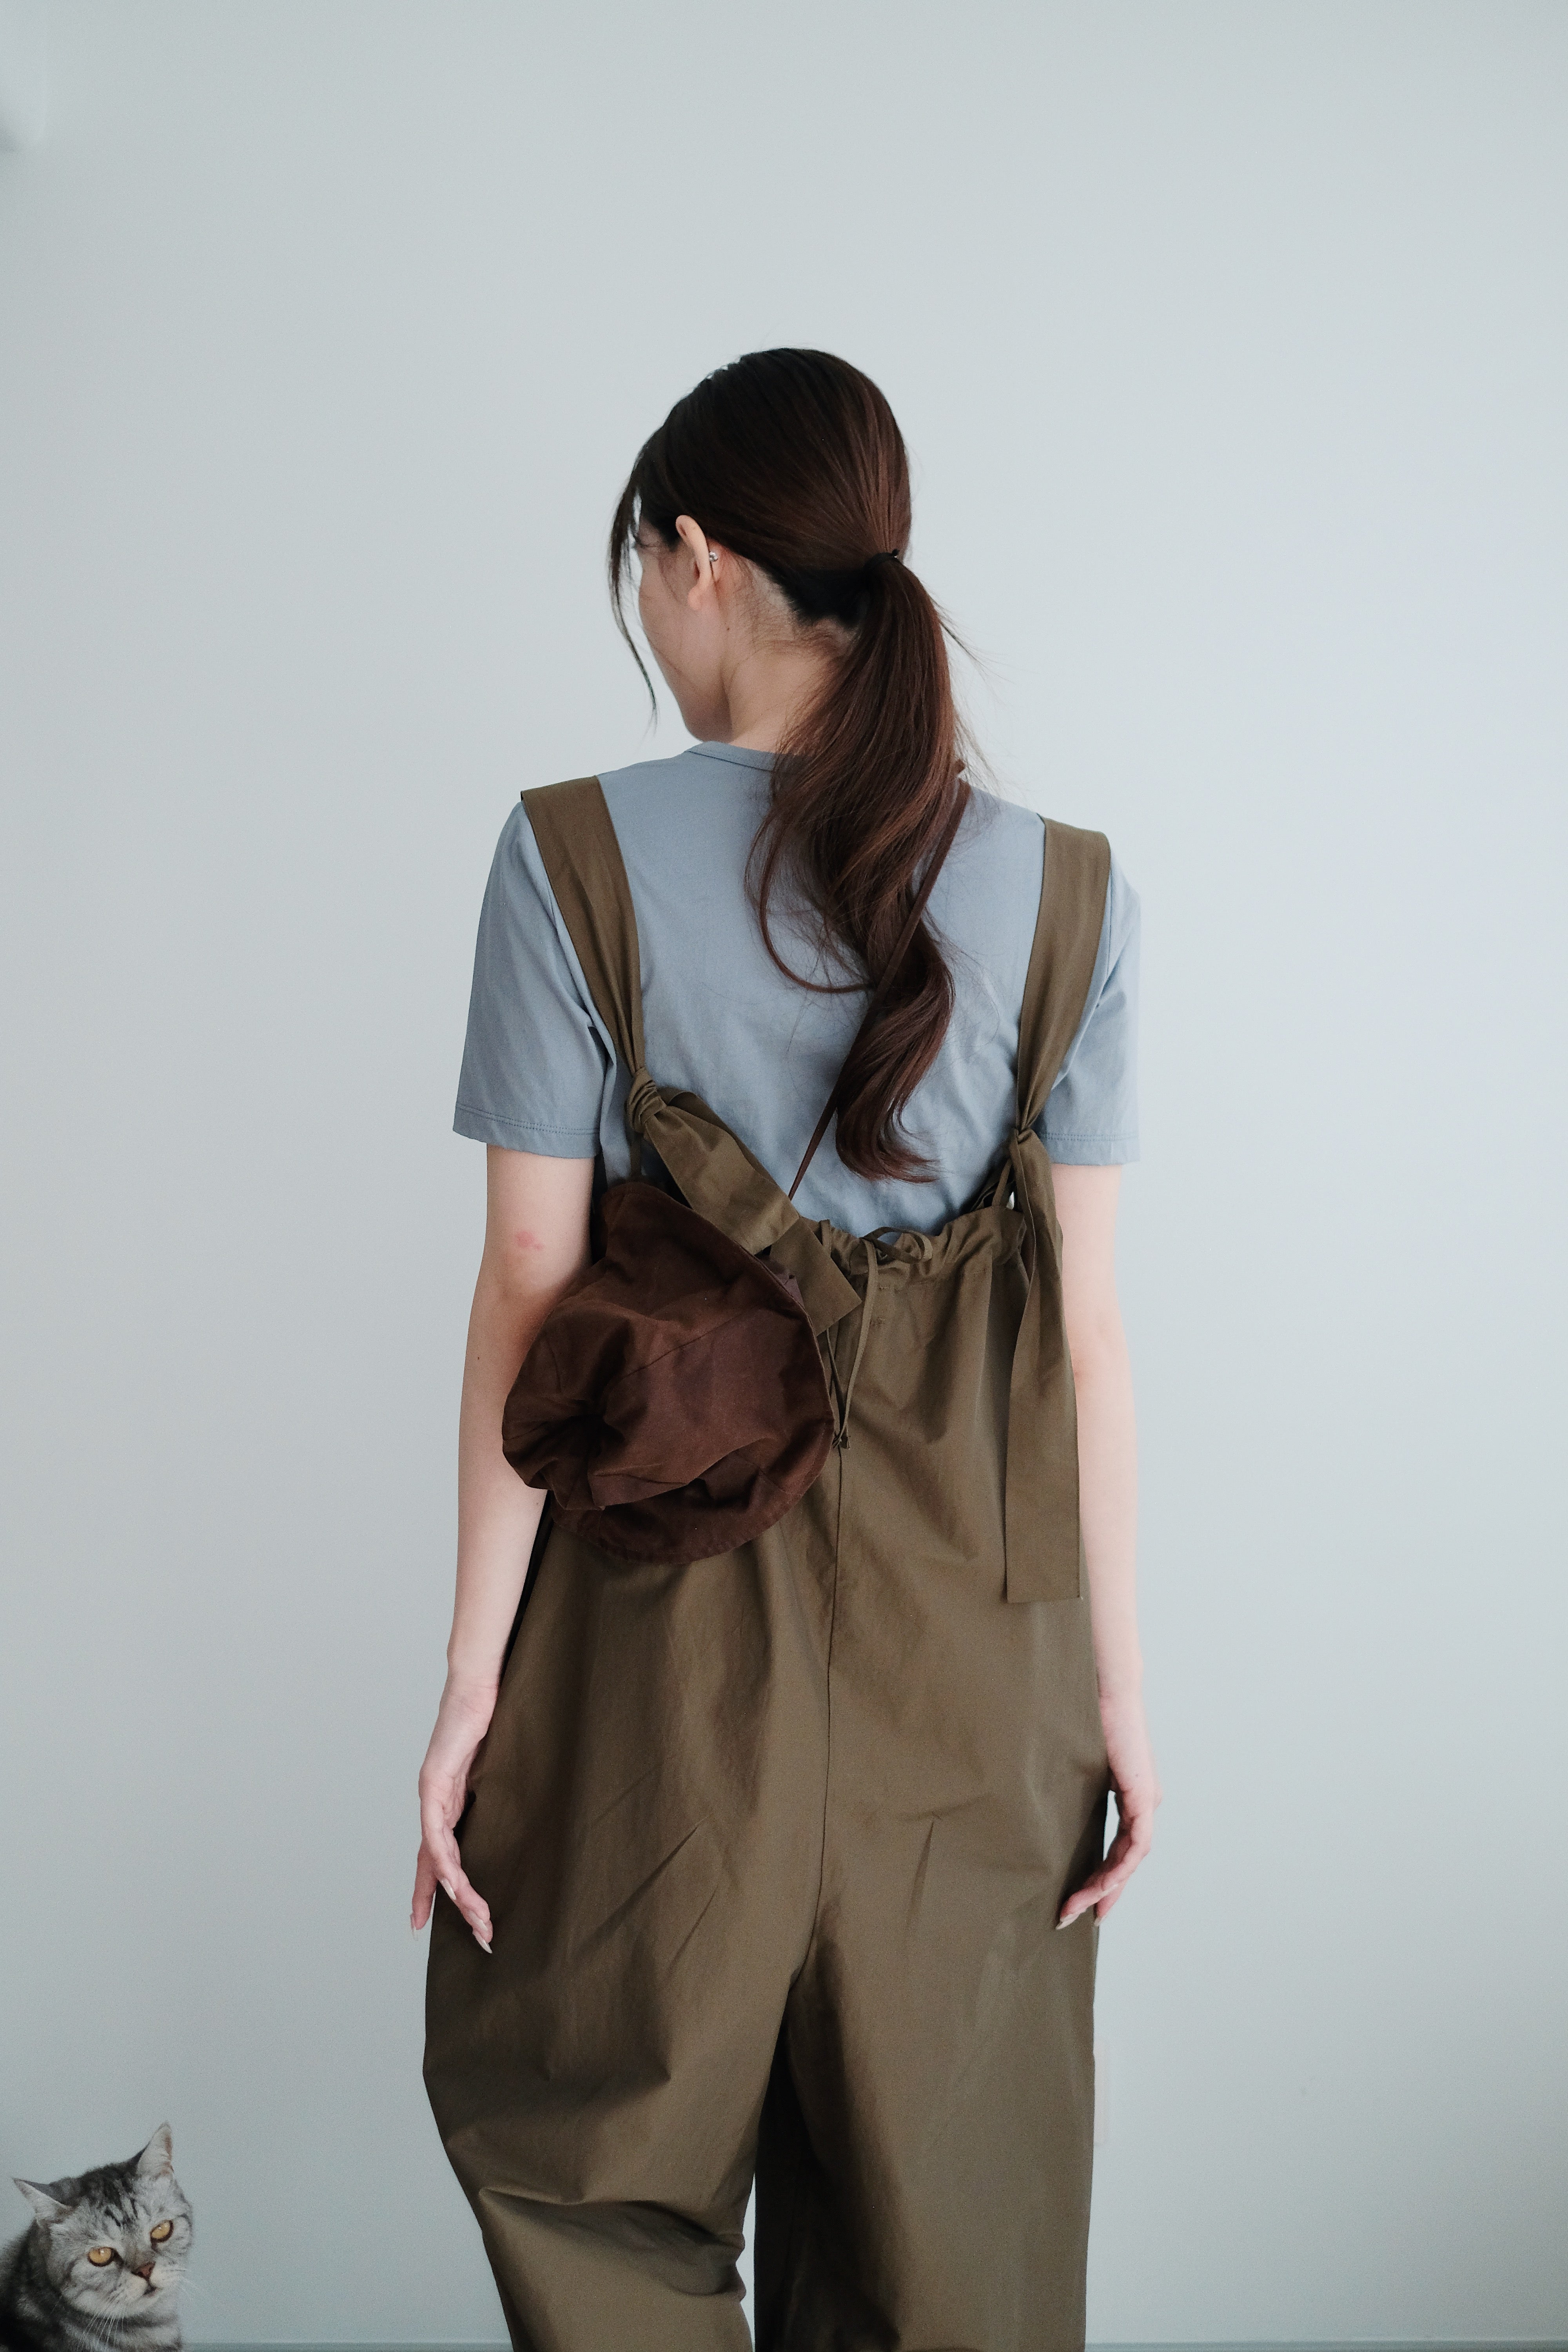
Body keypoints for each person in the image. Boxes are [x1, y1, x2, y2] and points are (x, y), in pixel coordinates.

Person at [413, 348, 1160, 2352]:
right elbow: (1089, 1334)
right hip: (978, 1656)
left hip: (657, 1639)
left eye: (642, 580)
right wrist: (1118, 1699)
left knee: (598, 2176)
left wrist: (472, 1684)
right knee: (950, 2233)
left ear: (697, 558)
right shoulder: (1070, 894)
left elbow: (524, 1289)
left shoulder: (567, 856)